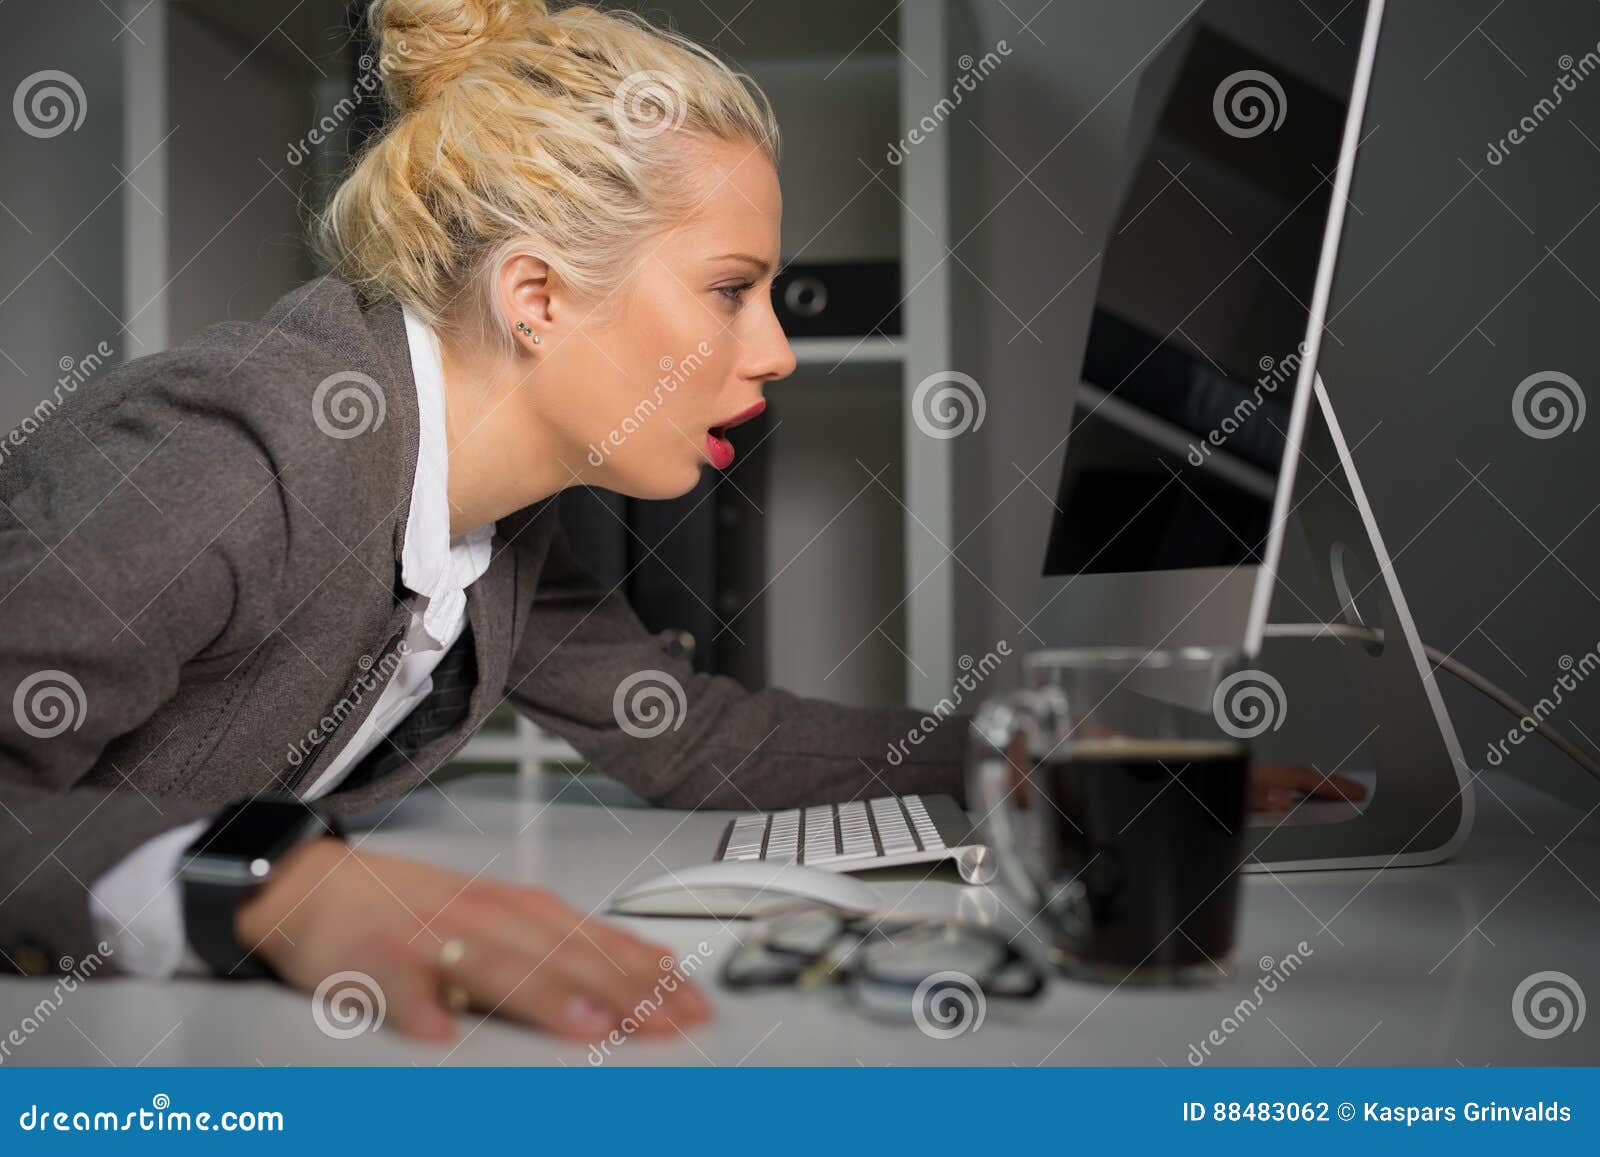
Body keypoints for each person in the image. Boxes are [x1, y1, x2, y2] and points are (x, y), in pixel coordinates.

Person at [0, 0, 1359, 1044]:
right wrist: (277, 885)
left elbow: (700, 736)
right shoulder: (245, 455)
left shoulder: (500, 525)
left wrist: (1029, 757)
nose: (778, 352)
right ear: (536, 296)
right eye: (729, 289)